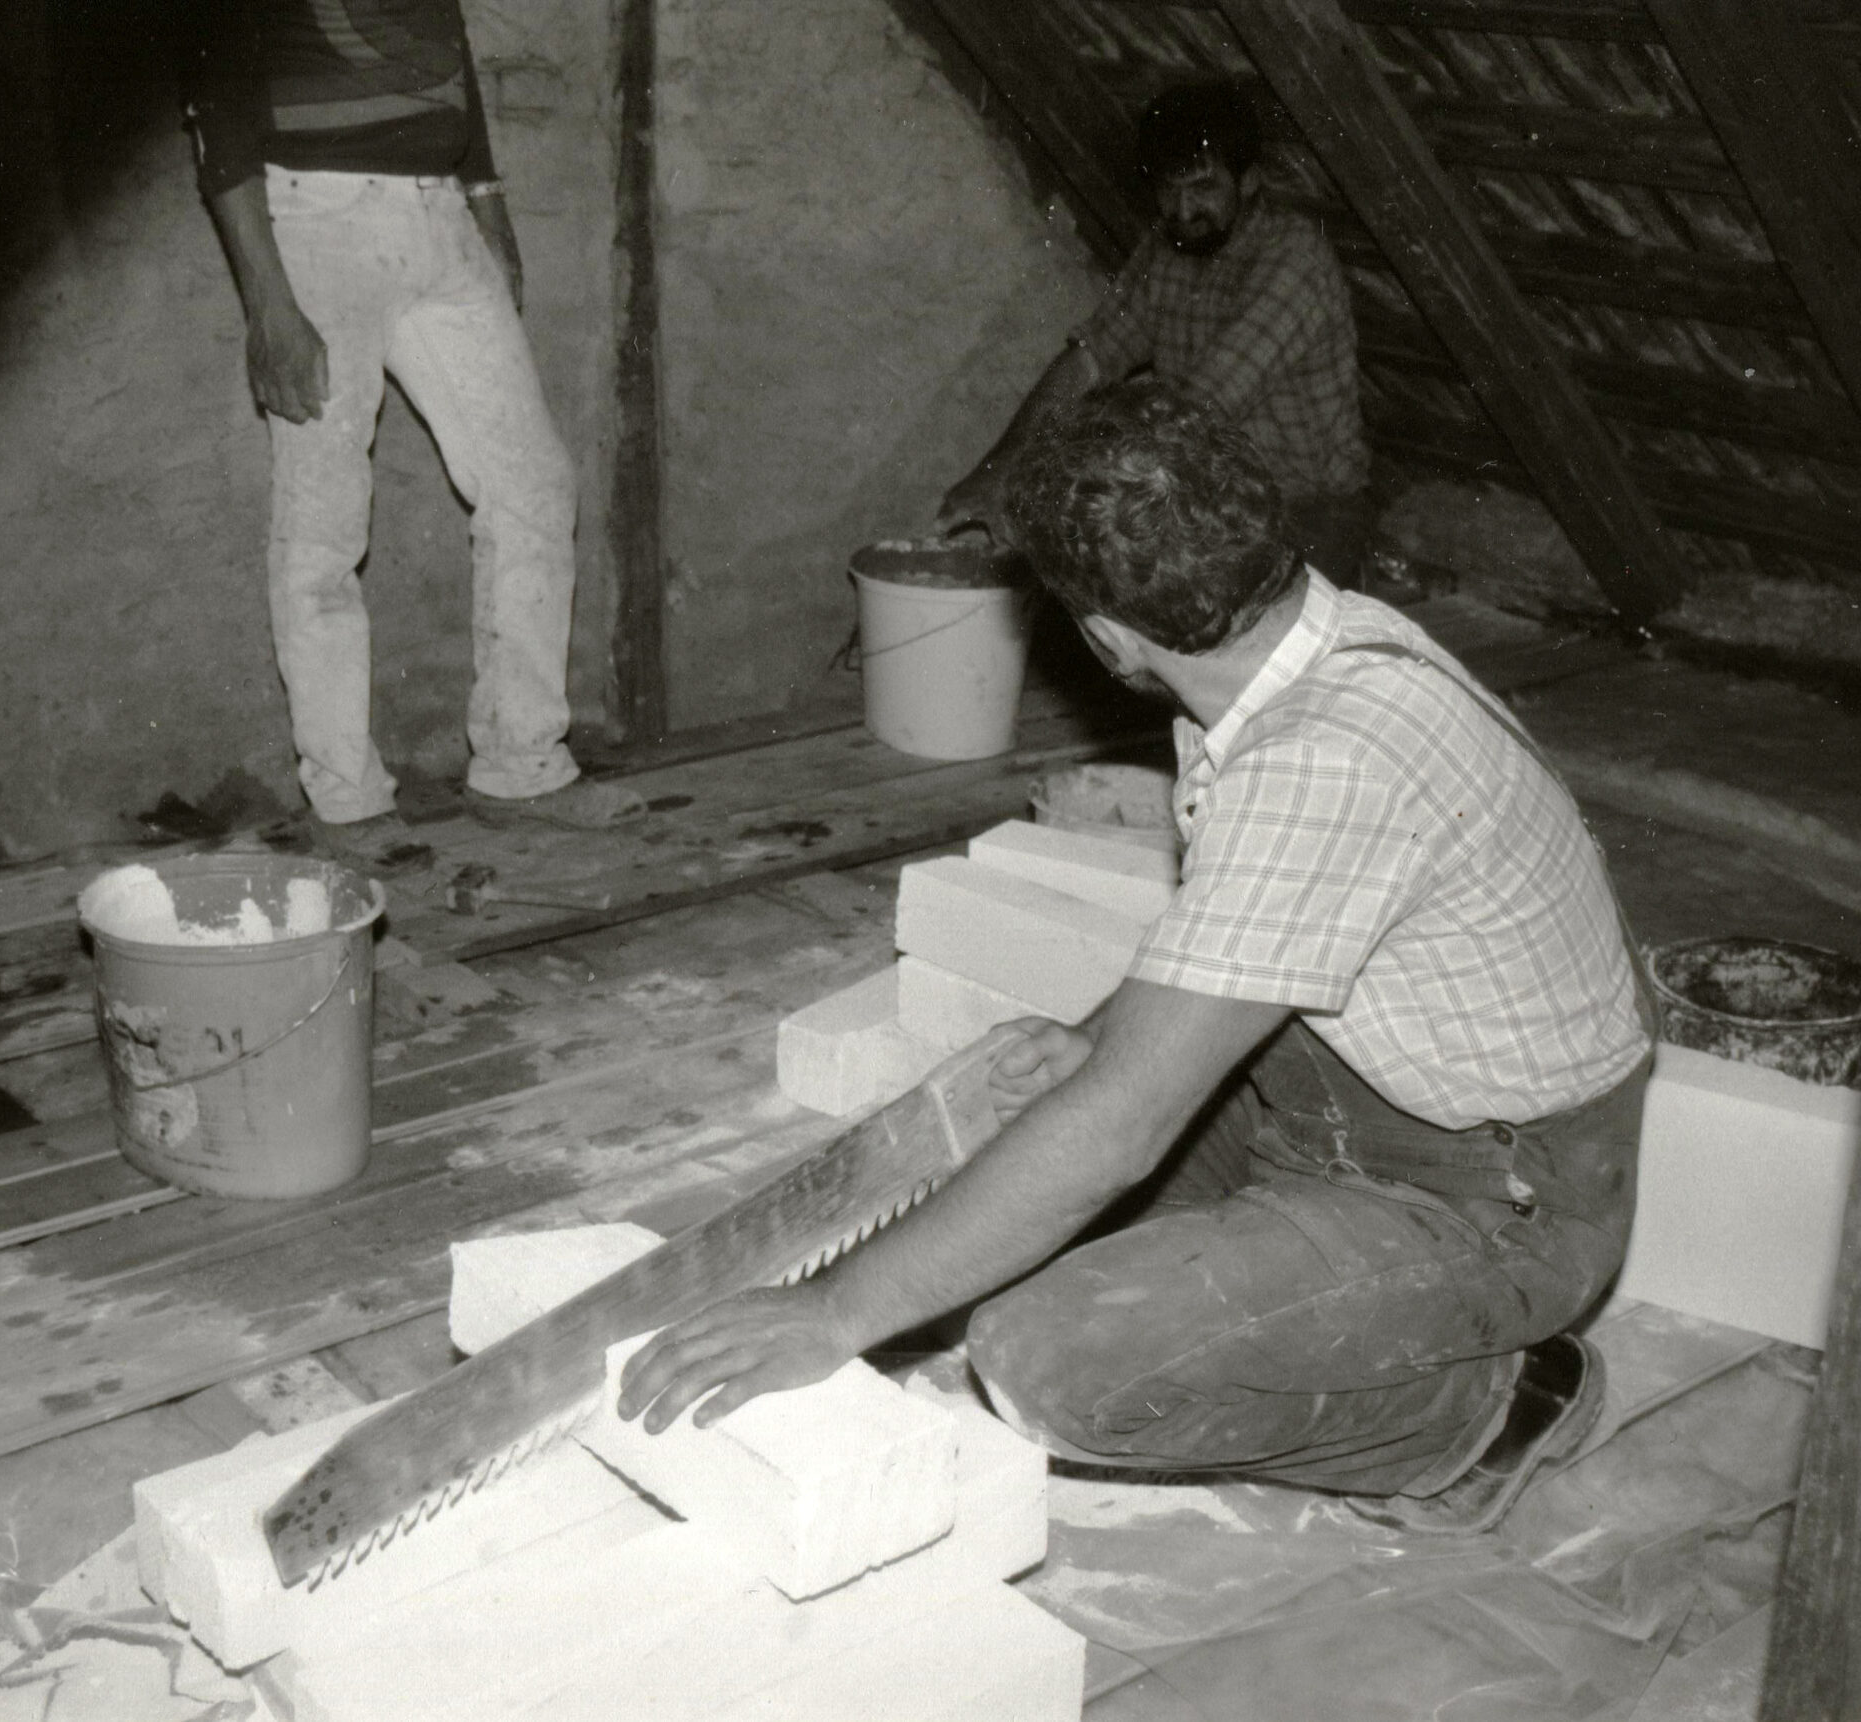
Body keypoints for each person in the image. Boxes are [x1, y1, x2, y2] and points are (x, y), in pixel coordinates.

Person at [620, 381, 1652, 1533]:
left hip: (1499, 1197)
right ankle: (1286, 1257)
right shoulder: (1283, 654)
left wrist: (831, 1319)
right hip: (1346, 1098)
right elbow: (1220, 948)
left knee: (1048, 1358)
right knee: (1011, 1172)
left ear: (1107, 636)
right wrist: (1095, 1042)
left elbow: (1120, 1133)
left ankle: (1490, 1410)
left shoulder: (1323, 760)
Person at [181, 0, 639, 831]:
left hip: (441, 218)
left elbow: (448, 65)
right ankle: (347, 801)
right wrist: (269, 306)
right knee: (323, 523)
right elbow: (216, 114)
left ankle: (523, 762)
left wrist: (490, 210)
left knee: (532, 485)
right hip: (315, 219)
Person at [937, 81, 1372, 587]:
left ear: (1249, 180)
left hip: (1306, 514)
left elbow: (1196, 406)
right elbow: (1089, 360)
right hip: (1206, 498)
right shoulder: (1167, 248)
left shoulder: (1294, 260)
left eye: (1204, 188)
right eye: (1169, 189)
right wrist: (997, 470)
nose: (1183, 211)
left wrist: (1044, 484)